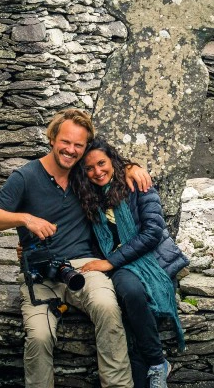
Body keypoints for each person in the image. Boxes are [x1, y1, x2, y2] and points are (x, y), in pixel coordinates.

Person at [0, 108, 151, 388]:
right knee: (38, 337)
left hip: (83, 267)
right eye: (65, 142)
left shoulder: (83, 175)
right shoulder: (25, 177)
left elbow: (108, 164)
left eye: (78, 145)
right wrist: (25, 218)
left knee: (108, 307)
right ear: (52, 138)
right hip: (41, 275)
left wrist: (131, 167)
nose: (70, 150)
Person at [75, 136, 187, 388]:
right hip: (120, 265)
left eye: (101, 163)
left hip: (149, 260)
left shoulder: (137, 184)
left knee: (133, 294)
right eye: (89, 168)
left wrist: (109, 263)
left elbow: (153, 232)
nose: (97, 171)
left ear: (112, 160)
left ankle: (157, 364)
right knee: (130, 300)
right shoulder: (87, 197)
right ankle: (156, 365)